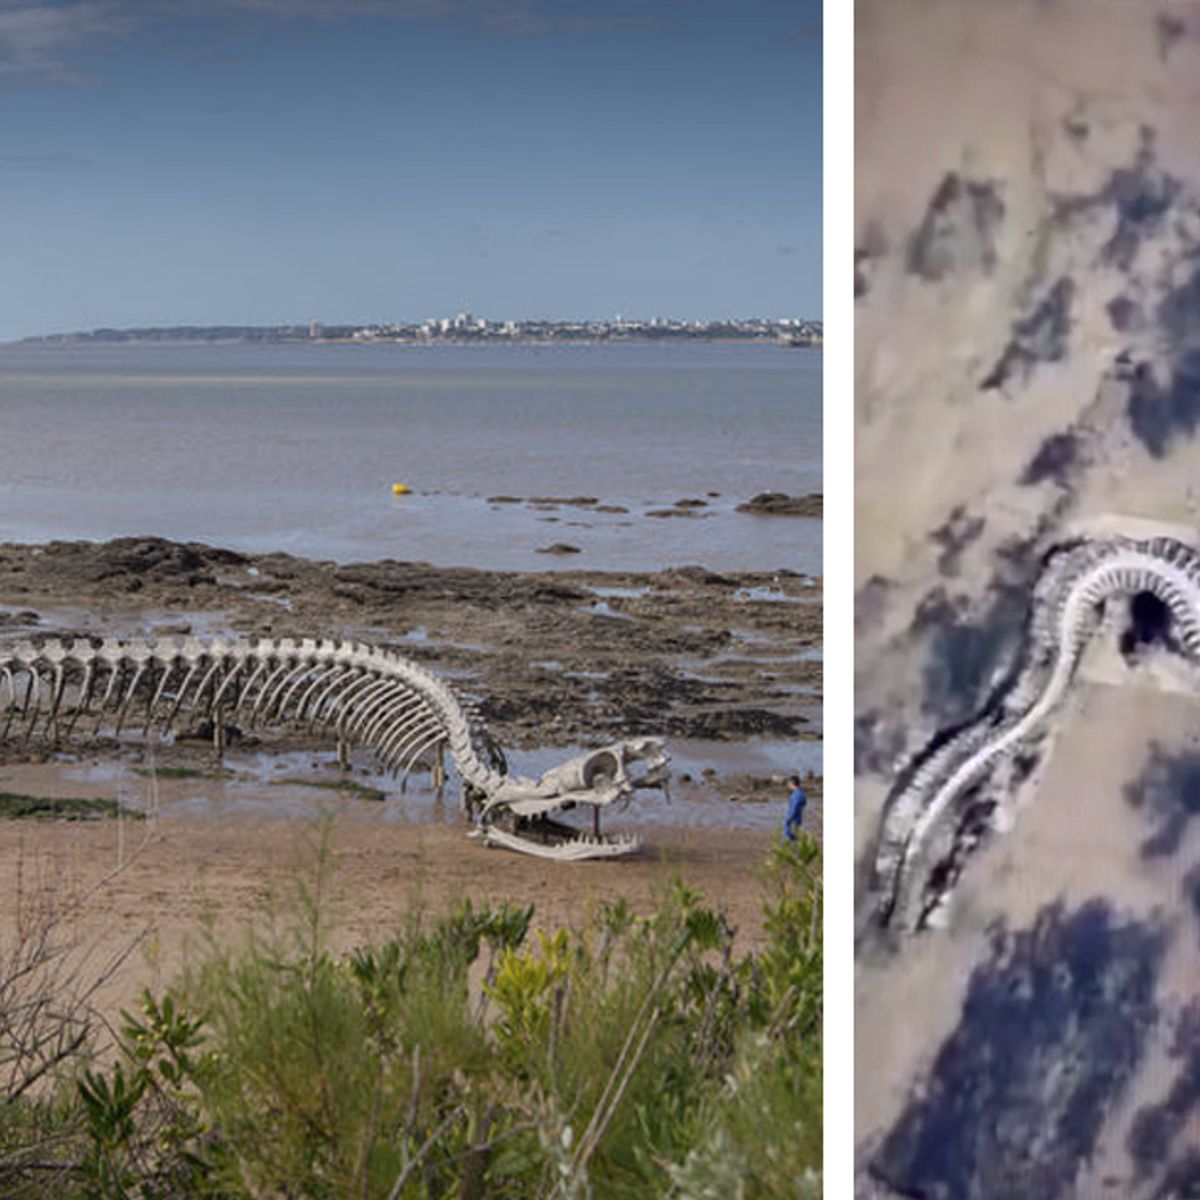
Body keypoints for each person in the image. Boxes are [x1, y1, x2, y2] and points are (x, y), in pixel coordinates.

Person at [783, 773, 807, 842]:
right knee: (796, 836)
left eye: (788, 783)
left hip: (793, 820)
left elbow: (794, 809)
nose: (788, 785)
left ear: (792, 783)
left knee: (790, 838)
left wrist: (788, 819)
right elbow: (804, 803)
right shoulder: (802, 793)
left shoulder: (796, 795)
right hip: (799, 818)